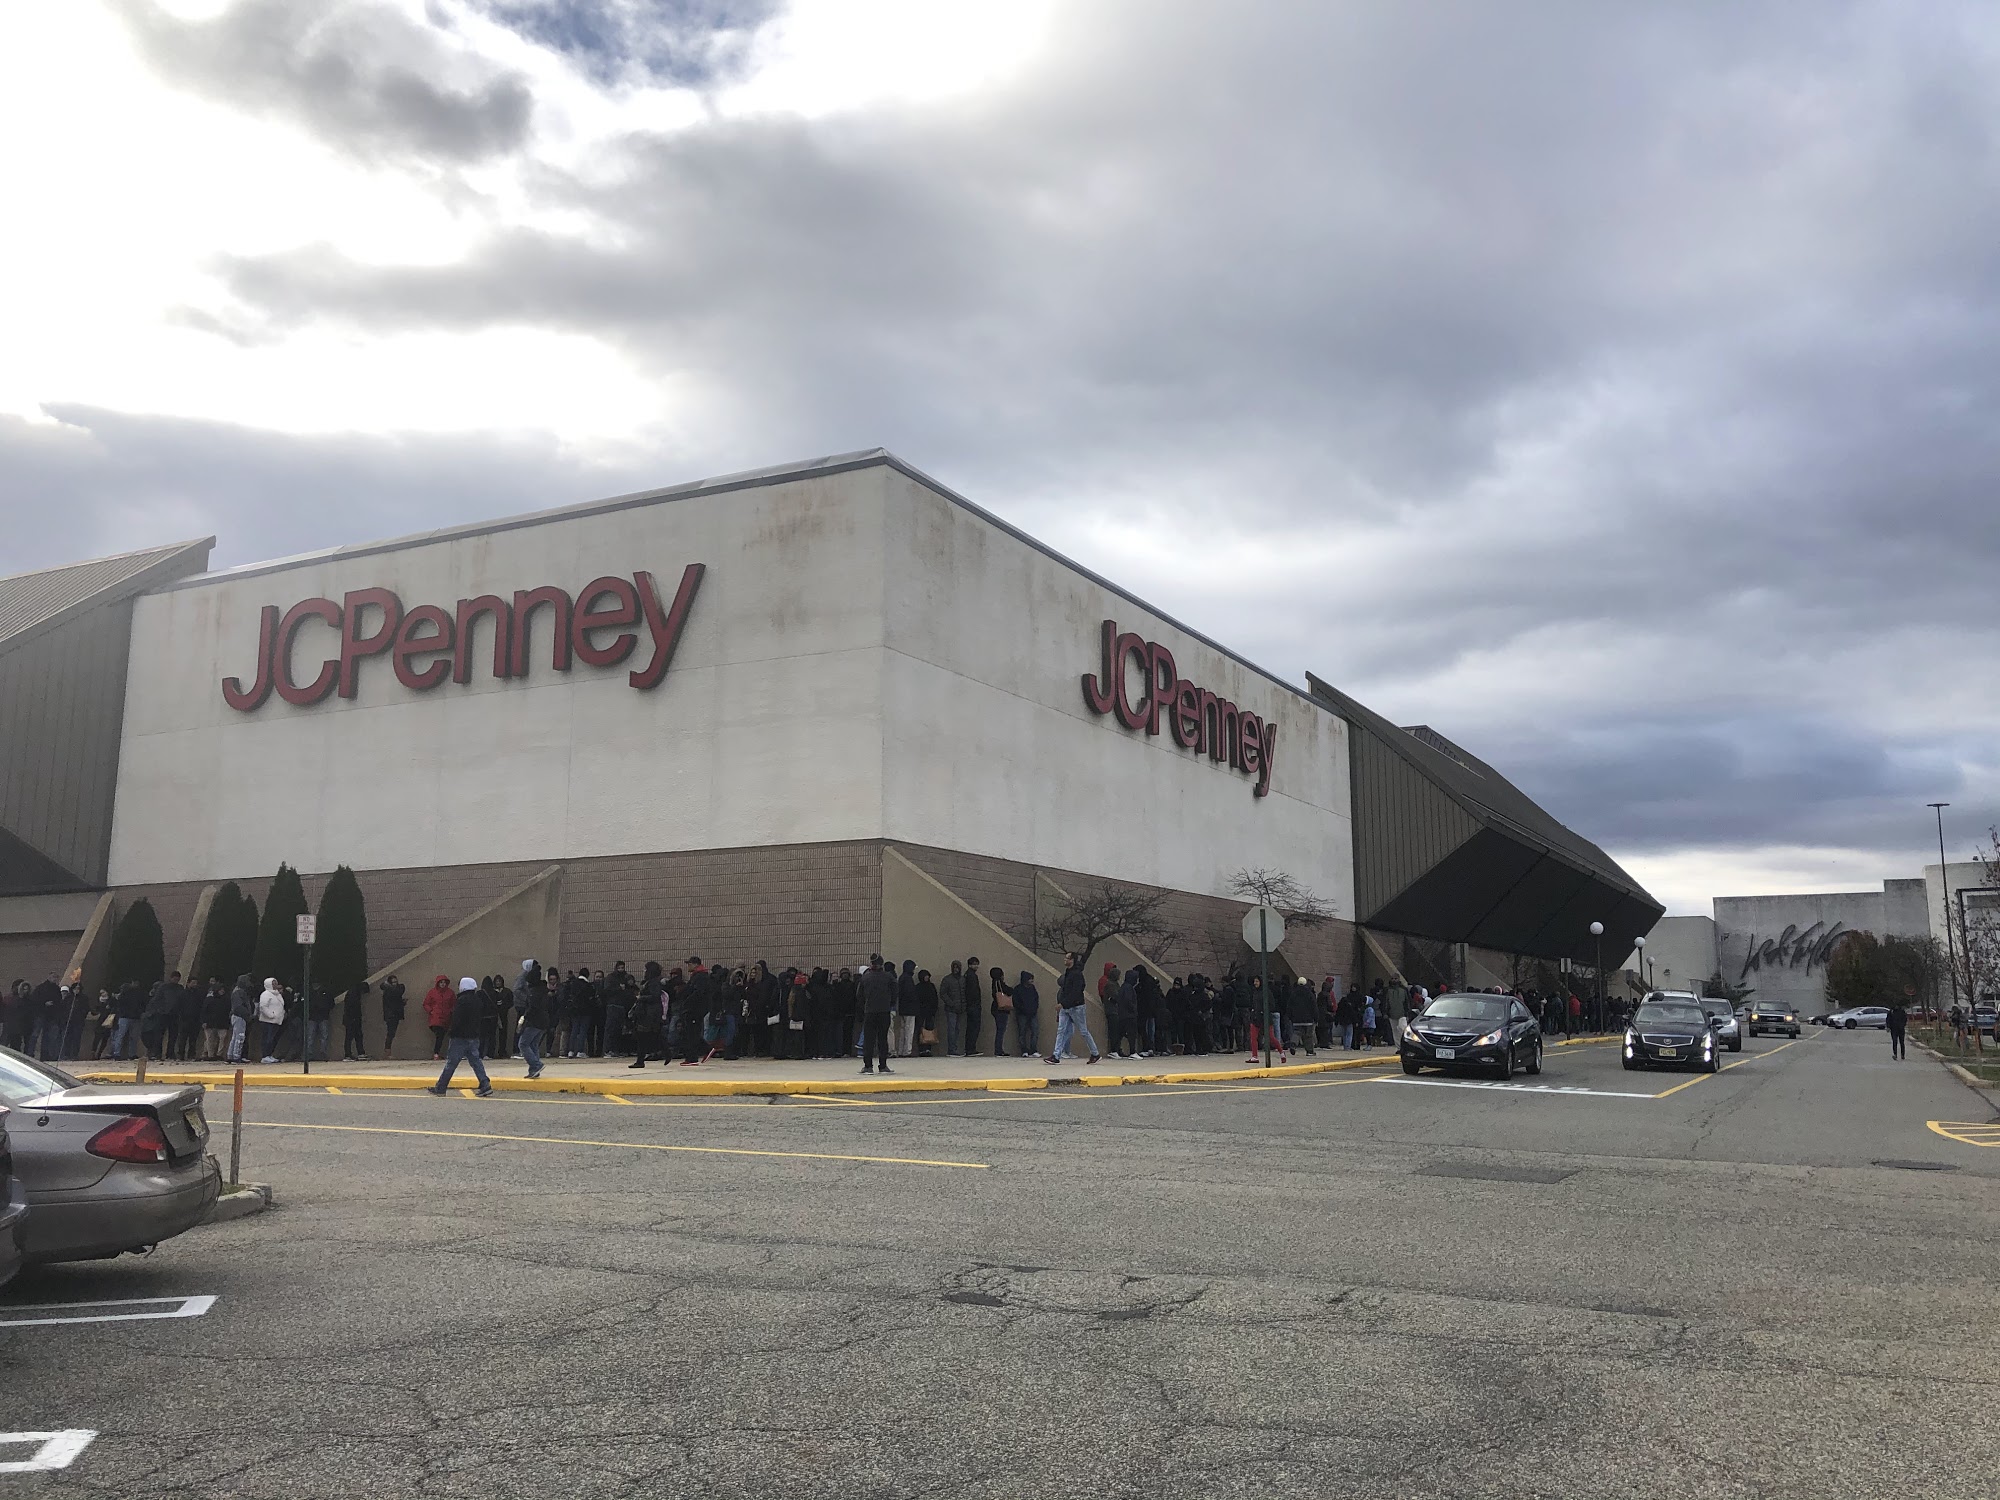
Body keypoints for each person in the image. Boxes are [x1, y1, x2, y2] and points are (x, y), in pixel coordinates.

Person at [427, 978, 494, 1096]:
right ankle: (485, 1084)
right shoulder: (478, 1000)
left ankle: (441, 1088)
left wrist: (451, 1032)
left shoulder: (461, 1001)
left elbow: (457, 1019)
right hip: (473, 1036)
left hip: (459, 1037)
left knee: (451, 1063)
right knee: (476, 1061)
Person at [1046, 953, 1102, 1065]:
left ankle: (1095, 1053)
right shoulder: (1068, 972)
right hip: (1065, 1007)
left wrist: (1063, 1003)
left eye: (1067, 958)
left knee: (1083, 1031)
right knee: (1061, 1031)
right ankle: (1056, 1055)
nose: (1064, 960)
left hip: (1076, 1007)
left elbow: (1076, 992)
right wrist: (1063, 1003)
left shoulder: (1077, 974)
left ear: (1072, 960)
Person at [858, 954, 896, 1074]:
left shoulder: (865, 978)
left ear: (871, 964)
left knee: (869, 1040)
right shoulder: (889, 977)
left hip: (870, 1011)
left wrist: (865, 1007)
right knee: (882, 1039)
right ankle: (883, 1065)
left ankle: (868, 1066)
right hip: (884, 1011)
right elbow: (895, 993)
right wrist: (889, 1004)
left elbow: (859, 996)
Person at [627, 961, 666, 1068]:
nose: (644, 971)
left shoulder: (654, 982)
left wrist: (641, 998)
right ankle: (664, 1051)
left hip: (649, 1013)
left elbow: (655, 996)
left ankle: (640, 1061)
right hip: (646, 1012)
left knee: (643, 1037)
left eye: (645, 969)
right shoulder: (650, 981)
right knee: (650, 1036)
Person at [518, 965, 553, 1079]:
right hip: (544, 1021)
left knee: (523, 1044)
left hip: (534, 1021)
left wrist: (524, 1018)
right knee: (533, 1045)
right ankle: (534, 1070)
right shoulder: (543, 990)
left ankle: (536, 1065)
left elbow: (532, 1008)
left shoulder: (533, 992)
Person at [255, 977, 286, 1063]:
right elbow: (263, 1007)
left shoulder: (277, 994)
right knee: (267, 1039)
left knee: (272, 1039)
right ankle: (265, 1056)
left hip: (277, 1021)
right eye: (273, 983)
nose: (275, 985)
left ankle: (269, 1054)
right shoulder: (265, 994)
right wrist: (271, 1015)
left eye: (276, 983)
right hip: (268, 1021)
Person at [423, 974, 454, 1059]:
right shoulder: (432, 992)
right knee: (440, 1034)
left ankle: (437, 1053)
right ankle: (436, 1053)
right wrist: (431, 1011)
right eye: (441, 982)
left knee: (441, 1036)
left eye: (444, 982)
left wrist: (450, 1011)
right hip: (435, 1018)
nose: (443, 984)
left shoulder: (450, 992)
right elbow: (426, 1003)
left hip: (446, 1018)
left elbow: (453, 1004)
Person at [1012, 969, 1041, 1057]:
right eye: (1030, 979)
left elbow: (1036, 999)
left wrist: (1034, 1009)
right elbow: (1015, 1002)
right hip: (1022, 1014)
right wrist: (1022, 1009)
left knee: (1035, 1031)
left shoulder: (1032, 988)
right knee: (1022, 1032)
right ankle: (1024, 1050)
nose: (1032, 981)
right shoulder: (1018, 989)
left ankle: (1033, 1050)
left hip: (1033, 1013)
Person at [341, 980, 372, 1061]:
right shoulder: (354, 995)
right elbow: (353, 1008)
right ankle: (349, 1054)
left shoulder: (353, 993)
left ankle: (358, 1053)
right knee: (350, 1037)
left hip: (352, 1018)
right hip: (352, 1019)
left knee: (356, 1036)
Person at [201, 978, 231, 1061]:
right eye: (220, 990)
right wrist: (204, 1021)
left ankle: (219, 1054)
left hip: (222, 1023)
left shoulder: (226, 1000)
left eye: (223, 990)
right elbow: (204, 1011)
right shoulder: (209, 999)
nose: (222, 991)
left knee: (222, 1039)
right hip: (210, 1022)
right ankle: (210, 1055)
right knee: (210, 1039)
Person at [939, 960, 965, 1056]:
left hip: (960, 1009)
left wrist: (964, 1005)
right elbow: (943, 993)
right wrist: (951, 1003)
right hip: (951, 1009)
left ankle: (955, 1048)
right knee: (952, 1029)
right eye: (954, 967)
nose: (956, 969)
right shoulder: (947, 979)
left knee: (957, 1029)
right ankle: (951, 1049)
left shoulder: (962, 979)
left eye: (957, 968)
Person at [227, 974, 255, 1064]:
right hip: (240, 1016)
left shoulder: (237, 991)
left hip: (237, 1015)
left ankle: (230, 1055)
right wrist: (248, 1015)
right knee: (240, 1037)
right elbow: (238, 1006)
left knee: (235, 1037)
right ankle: (236, 1056)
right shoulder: (239, 992)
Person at [380, 974, 407, 1055]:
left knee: (392, 1033)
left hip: (395, 1014)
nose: (395, 984)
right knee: (391, 1033)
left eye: (396, 982)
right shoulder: (388, 991)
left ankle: (387, 1050)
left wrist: (402, 1003)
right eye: (393, 982)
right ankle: (387, 1051)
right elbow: (394, 996)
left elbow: (399, 993)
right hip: (391, 1015)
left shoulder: (397, 988)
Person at [989, 965, 1012, 1055]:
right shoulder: (999, 983)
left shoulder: (994, 983)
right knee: (1001, 1030)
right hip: (1000, 1009)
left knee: (1000, 1030)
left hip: (996, 1008)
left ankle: (999, 1049)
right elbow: (1008, 991)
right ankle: (998, 1050)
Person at [962, 958, 983, 1056]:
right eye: (974, 964)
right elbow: (973, 992)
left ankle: (969, 1048)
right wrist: (975, 1003)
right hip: (973, 1005)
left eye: (977, 964)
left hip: (971, 1005)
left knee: (971, 1027)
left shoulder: (968, 975)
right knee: (974, 1027)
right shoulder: (971, 976)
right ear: (969, 965)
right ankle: (970, 1049)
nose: (976, 966)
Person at [1887, 996, 1908, 1061]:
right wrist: (1888, 1027)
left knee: (1902, 1042)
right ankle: (1895, 1054)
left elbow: (1905, 1019)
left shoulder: (1902, 1011)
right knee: (1894, 1041)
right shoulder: (1891, 1011)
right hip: (1893, 1029)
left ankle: (1902, 1055)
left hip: (1901, 1029)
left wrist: (1903, 1025)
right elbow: (1888, 1019)